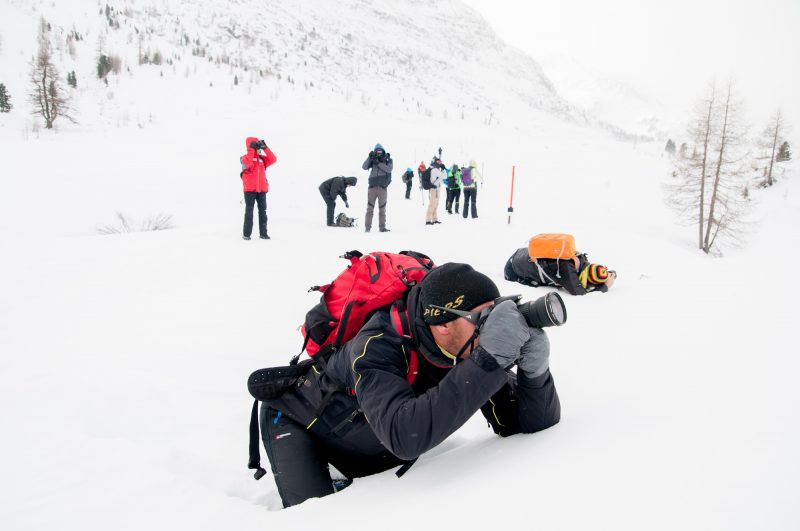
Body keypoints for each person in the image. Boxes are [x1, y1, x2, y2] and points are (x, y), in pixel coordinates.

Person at [259, 262, 561, 507]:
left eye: (494, 313)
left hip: (370, 438)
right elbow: (404, 437)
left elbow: (522, 422)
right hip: (298, 420)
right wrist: (488, 360)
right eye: (482, 317)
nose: (490, 327)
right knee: (314, 519)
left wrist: (534, 371)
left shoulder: (461, 345)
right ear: (443, 324)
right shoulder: (377, 346)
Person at [504, 247, 617, 295]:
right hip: (511, 270)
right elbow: (580, 292)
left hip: (520, 253)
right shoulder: (568, 270)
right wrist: (605, 286)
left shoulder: (580, 258)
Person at [240, 137, 277, 240]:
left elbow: (273, 159)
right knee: (249, 211)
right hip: (249, 190)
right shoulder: (244, 158)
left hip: (262, 190)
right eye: (253, 143)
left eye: (256, 143)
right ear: (249, 145)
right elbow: (247, 163)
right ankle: (246, 235)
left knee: (263, 212)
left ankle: (263, 234)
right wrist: (251, 150)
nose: (256, 145)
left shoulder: (262, 159)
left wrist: (265, 148)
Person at [362, 143, 393, 232]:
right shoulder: (372, 159)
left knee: (382, 209)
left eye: (380, 151)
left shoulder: (388, 160)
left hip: (382, 188)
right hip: (372, 188)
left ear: (383, 151)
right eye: (377, 151)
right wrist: (370, 157)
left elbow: (389, 169)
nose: (378, 153)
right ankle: (367, 228)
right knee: (369, 209)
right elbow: (364, 167)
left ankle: (382, 228)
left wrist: (378, 163)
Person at [426, 158, 446, 225]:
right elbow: (445, 176)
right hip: (434, 190)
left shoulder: (437, 170)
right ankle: (428, 220)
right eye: (439, 162)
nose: (440, 163)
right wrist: (443, 169)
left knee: (435, 205)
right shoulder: (434, 170)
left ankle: (434, 219)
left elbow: (443, 177)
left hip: (437, 190)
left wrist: (442, 170)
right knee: (432, 204)